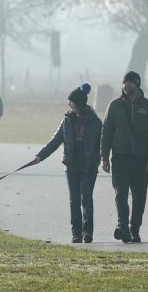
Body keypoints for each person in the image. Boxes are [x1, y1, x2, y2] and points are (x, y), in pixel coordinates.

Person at [31, 83, 102, 243]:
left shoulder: (95, 122)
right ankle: (76, 233)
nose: (69, 105)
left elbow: (102, 144)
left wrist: (100, 160)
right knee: (74, 201)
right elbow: (55, 141)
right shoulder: (67, 121)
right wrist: (40, 156)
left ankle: (87, 232)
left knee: (87, 199)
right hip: (71, 166)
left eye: (72, 103)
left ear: (79, 104)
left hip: (89, 167)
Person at [101, 71, 148, 243]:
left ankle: (134, 229)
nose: (127, 86)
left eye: (131, 83)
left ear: (138, 85)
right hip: (120, 157)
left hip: (141, 160)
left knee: (139, 197)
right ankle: (123, 226)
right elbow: (106, 132)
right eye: (125, 83)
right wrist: (104, 157)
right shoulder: (114, 106)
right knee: (120, 194)